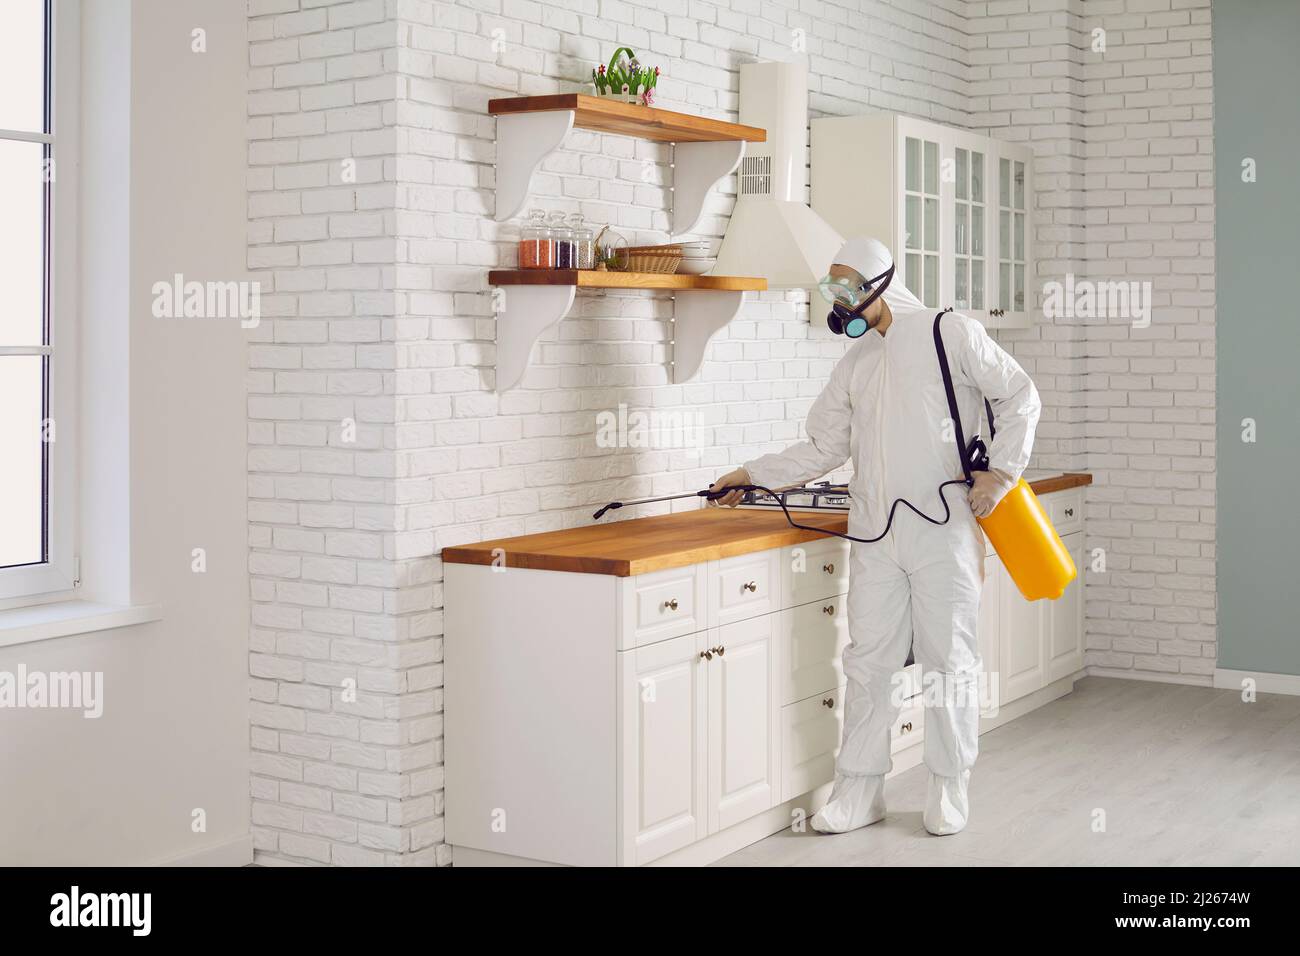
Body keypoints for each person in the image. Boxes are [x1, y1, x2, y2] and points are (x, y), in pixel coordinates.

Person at [710, 237, 1041, 835]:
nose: (838, 300)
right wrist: (752, 474)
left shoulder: (949, 332)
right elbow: (822, 447)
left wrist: (1002, 473)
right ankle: (859, 791)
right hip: (875, 534)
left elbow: (1019, 394)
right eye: (829, 289)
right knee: (869, 664)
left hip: (945, 529)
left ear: (879, 283)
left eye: (845, 287)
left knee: (949, 661)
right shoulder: (855, 364)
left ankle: (949, 786)